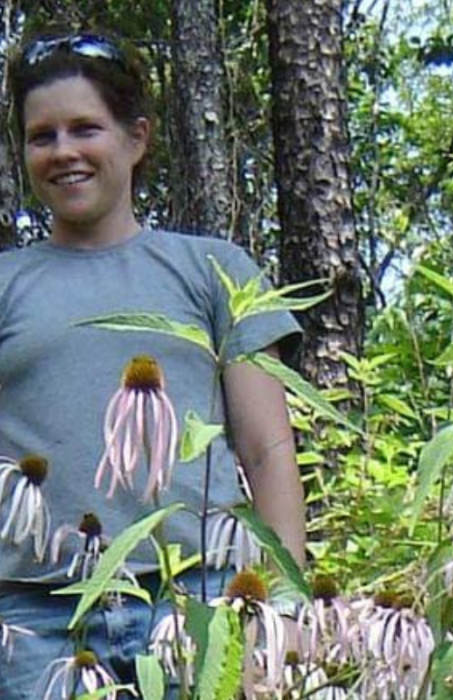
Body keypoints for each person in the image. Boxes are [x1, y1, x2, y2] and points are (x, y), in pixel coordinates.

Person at [0, 30, 305, 698]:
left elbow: (267, 448)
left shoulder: (215, 271)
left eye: (86, 128)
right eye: (41, 136)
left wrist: (282, 602)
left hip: (201, 600)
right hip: (37, 618)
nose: (64, 152)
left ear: (136, 138)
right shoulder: (6, 283)